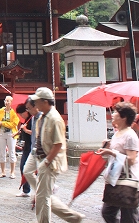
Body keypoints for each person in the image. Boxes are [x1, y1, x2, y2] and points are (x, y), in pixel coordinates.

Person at [30, 87, 85, 223]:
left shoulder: (55, 119)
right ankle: (73, 217)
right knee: (44, 195)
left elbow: (58, 144)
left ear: (45, 101)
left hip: (50, 162)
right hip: (42, 158)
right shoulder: (43, 117)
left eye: (37, 101)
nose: (35, 104)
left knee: (43, 198)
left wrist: (47, 162)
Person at [96, 101, 139, 223]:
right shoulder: (117, 134)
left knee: (128, 218)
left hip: (128, 180)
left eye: (116, 112)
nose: (113, 114)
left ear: (124, 117)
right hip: (115, 179)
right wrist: (108, 146)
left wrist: (111, 152)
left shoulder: (130, 136)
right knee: (107, 213)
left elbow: (131, 160)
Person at [22, 97, 43, 202]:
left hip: (41, 150)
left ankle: (40, 193)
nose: (28, 111)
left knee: (40, 174)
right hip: (33, 149)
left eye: (29, 108)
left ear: (36, 107)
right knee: (26, 171)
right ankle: (39, 191)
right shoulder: (34, 117)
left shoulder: (43, 117)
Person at [0, 95, 20, 178]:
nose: (6, 102)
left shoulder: (14, 113)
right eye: (5, 100)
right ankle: (3, 171)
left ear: (11, 103)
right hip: (1, 133)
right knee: (2, 152)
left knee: (11, 152)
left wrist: (3, 123)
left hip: (11, 134)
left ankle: (12, 172)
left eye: (8, 101)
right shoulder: (0, 111)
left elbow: (14, 124)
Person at [15, 103, 32, 197]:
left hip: (32, 147)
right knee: (23, 168)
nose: (21, 116)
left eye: (21, 114)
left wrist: (25, 130)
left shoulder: (33, 119)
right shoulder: (27, 120)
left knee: (27, 168)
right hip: (26, 147)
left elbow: (35, 133)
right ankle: (26, 189)